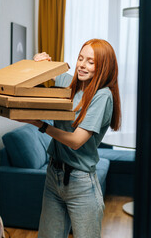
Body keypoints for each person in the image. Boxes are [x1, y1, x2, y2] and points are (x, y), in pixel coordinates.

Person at [20, 39, 121, 238]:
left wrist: (40, 124)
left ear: (103, 66)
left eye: (91, 62)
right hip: (53, 175)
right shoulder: (67, 83)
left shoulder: (103, 96)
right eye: (80, 58)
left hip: (81, 182)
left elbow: (76, 141)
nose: (82, 65)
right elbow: (39, 74)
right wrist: (38, 62)